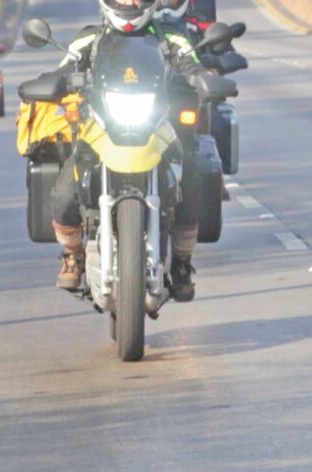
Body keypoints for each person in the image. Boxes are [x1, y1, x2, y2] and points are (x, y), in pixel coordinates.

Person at [48, 0, 206, 301]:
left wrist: (203, 78)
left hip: (156, 126)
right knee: (65, 190)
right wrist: (53, 84)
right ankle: (73, 254)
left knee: (191, 179)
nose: (131, 2)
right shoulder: (89, 38)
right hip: (101, 128)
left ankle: (183, 261)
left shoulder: (170, 37)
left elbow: (192, 64)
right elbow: (64, 70)